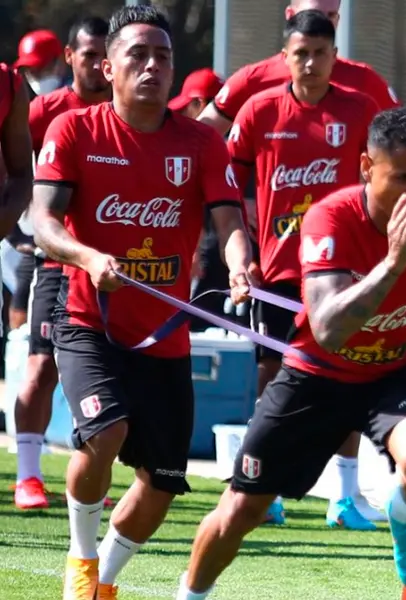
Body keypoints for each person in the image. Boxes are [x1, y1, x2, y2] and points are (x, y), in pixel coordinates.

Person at [175, 106, 406, 600]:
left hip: (396, 372)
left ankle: (401, 514)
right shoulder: (329, 218)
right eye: (402, 178)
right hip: (317, 375)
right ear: (365, 168)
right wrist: (394, 265)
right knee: (241, 511)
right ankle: (189, 595)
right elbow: (330, 328)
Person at [27, 7, 255, 599]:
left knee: (161, 486)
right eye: (138, 55)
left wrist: (238, 264)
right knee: (106, 433)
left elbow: (229, 219)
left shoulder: (202, 141)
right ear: (108, 66)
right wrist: (86, 257)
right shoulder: (75, 131)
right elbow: (43, 221)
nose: (153, 66)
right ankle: (80, 563)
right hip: (87, 319)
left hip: (165, 337)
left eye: (164, 56)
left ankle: (105, 578)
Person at [197, 0, 400, 526]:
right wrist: (245, 244)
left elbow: (384, 178)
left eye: (321, 53)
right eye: (301, 54)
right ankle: (270, 488)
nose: (311, 63)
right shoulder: (260, 109)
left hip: (343, 267)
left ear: (336, 55)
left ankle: (345, 496)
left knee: (348, 370)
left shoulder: (359, 108)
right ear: (285, 57)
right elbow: (227, 179)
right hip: (280, 267)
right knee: (273, 372)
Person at [11, 15, 112, 512]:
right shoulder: (45, 110)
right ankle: (28, 474)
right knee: (40, 366)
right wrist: (15, 224)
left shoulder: (130, 113)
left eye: (103, 55)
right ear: (69, 57)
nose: (97, 65)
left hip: (119, 267)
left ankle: (97, 475)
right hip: (55, 262)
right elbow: (10, 164)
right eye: (87, 55)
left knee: (110, 372)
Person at [198, 0, 398, 137]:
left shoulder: (363, 80)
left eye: (331, 15)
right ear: (290, 15)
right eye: (315, 14)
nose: (324, 24)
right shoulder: (253, 81)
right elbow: (197, 138)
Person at [15, 29, 67, 96]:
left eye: (40, 67)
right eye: (29, 71)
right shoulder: (30, 104)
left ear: (62, 60)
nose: (36, 76)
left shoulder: (81, 95)